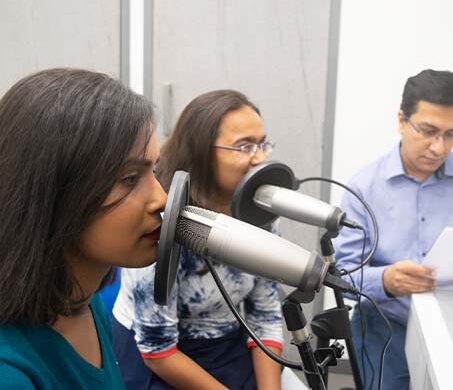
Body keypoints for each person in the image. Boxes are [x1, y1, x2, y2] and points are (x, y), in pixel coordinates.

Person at [0, 68, 167, 389]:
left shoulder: (84, 299)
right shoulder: (10, 373)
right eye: (129, 179)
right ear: (53, 192)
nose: (160, 199)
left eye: (154, 171)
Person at [112, 90, 290, 390]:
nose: (259, 158)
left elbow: (265, 316)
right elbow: (158, 352)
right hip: (157, 355)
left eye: (262, 144)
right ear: (202, 152)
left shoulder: (261, 214)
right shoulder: (161, 219)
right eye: (244, 146)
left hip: (224, 344)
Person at [334, 69, 453, 390]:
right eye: (428, 131)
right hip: (384, 324)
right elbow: (341, 275)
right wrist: (385, 280)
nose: (439, 148)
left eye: (451, 135)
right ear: (402, 121)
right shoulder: (364, 188)